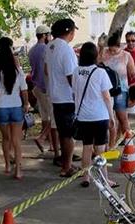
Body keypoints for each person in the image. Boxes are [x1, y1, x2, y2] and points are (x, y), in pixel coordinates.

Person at [71, 42, 116, 188]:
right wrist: (111, 116)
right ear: (95, 55)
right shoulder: (100, 72)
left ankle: (86, 176)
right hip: (99, 115)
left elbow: (74, 92)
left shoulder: (76, 71)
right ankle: (104, 178)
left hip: (83, 116)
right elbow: (107, 97)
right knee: (100, 149)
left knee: (87, 147)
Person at [0, 37, 30, 180]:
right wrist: (26, 104)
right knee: (16, 141)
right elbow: (24, 90)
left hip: (1, 108)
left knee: (6, 139)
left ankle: (7, 165)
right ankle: (18, 170)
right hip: (16, 107)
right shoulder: (18, 72)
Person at [45, 19, 81, 177]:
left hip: (56, 96)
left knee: (63, 133)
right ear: (70, 32)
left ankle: (66, 164)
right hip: (67, 98)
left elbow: (47, 70)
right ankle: (67, 167)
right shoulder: (66, 49)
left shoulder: (50, 46)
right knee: (68, 135)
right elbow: (70, 76)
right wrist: (78, 94)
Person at [28, 25, 60, 161]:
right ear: (45, 35)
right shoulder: (46, 49)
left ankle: (50, 144)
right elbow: (44, 71)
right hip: (45, 87)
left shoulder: (31, 50)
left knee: (45, 116)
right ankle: (43, 139)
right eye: (49, 35)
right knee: (54, 118)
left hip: (36, 87)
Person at [101, 33, 135, 149]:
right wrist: (101, 47)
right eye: (110, 50)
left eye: (115, 50)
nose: (112, 52)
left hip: (121, 90)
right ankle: (108, 146)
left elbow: (133, 73)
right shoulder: (104, 52)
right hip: (105, 90)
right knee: (106, 119)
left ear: (119, 46)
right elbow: (96, 64)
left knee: (122, 118)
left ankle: (129, 145)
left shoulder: (126, 55)